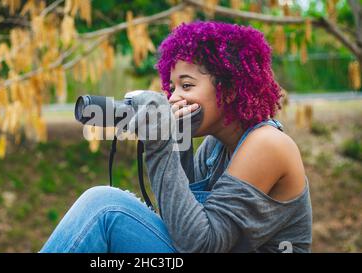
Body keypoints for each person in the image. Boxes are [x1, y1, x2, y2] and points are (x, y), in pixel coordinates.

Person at [40, 21, 312, 253]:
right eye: (171, 88)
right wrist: (174, 137)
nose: (175, 97)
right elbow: (181, 224)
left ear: (229, 91)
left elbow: (200, 245)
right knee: (105, 203)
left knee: (105, 206)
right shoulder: (215, 146)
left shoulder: (267, 143)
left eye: (187, 85)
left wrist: (159, 141)